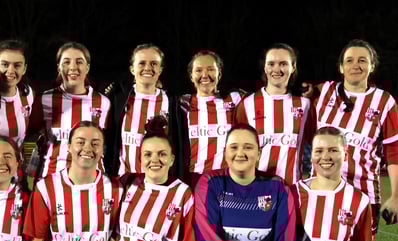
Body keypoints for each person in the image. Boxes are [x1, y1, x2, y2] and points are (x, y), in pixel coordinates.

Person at [309, 39, 398, 236]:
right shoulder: (324, 91)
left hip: (364, 195)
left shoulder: (384, 102)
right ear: (341, 67)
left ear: (372, 66)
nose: (356, 65)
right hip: (320, 192)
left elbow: (394, 151)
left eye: (362, 60)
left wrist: (396, 197)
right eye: (350, 60)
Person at [194, 124, 295, 241]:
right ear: (225, 152)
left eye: (248, 147)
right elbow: (206, 234)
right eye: (233, 147)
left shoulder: (278, 187)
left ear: (259, 154)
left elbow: (286, 235)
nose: (240, 153)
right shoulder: (210, 183)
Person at [24, 121, 123, 241]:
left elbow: (117, 238)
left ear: (103, 150)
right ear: (69, 147)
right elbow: (36, 240)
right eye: (80, 142)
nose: (88, 148)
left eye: (95, 143)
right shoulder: (46, 187)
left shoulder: (116, 189)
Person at [113, 115, 197, 241]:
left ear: (171, 160)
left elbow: (189, 240)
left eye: (162, 154)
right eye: (148, 154)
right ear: (140, 159)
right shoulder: (127, 182)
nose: (155, 159)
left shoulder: (182, 193)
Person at [291, 127, 372, 241]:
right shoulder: (292, 194)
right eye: (319, 151)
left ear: (345, 154)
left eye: (333, 150)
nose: (325, 156)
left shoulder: (359, 201)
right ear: (312, 155)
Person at [235, 43, 315, 186]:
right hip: (255, 189)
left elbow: (316, 145)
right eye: (271, 64)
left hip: (292, 190)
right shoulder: (247, 104)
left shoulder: (305, 105)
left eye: (283, 64)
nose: (276, 69)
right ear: (265, 67)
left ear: (293, 67)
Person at [39, 42, 111, 177]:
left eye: (79, 62)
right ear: (59, 67)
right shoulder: (45, 99)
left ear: (87, 67)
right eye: (66, 62)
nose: (73, 67)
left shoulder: (103, 102)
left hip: (92, 180)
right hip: (53, 179)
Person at [104, 44, 177, 176]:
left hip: (158, 183)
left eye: (154, 63)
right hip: (122, 182)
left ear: (160, 69)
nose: (148, 68)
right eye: (142, 63)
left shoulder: (172, 102)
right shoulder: (117, 99)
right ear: (132, 69)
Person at [176, 50, 245, 187]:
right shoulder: (182, 103)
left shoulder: (235, 99)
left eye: (211, 69)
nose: (205, 75)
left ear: (219, 73)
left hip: (227, 179)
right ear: (191, 76)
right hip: (192, 180)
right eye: (199, 70)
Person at [0, 40, 41, 148]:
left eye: (17, 65)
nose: (10, 70)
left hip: (15, 164)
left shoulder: (28, 94)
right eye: (5, 64)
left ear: (24, 69)